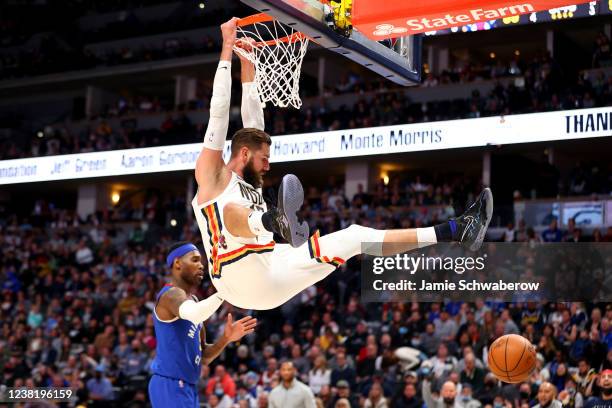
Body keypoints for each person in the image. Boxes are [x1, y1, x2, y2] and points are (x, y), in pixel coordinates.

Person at [192, 17, 494, 311]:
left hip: (269, 270)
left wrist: (249, 64)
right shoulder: (212, 175)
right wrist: (227, 47)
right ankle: (274, 221)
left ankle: (456, 230)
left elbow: (254, 119)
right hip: (235, 277)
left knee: (355, 236)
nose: (269, 166)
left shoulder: (250, 177)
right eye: (264, 159)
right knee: (232, 211)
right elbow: (218, 114)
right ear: (243, 154)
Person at [148, 242, 257, 408]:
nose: (201, 266)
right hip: (170, 383)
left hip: (188, 385)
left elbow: (204, 356)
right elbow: (196, 313)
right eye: (195, 260)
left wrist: (226, 338)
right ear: (177, 263)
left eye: (201, 262)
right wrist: (225, 291)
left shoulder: (194, 301)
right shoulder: (170, 294)